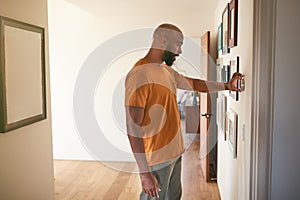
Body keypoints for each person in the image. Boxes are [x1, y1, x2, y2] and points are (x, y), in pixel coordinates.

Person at [125, 23, 243, 200]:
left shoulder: (166, 71)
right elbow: (133, 128)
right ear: (163, 40)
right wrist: (144, 173)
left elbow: (196, 84)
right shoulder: (139, 74)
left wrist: (227, 86)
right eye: (178, 44)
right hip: (156, 160)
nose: (179, 51)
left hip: (175, 155)